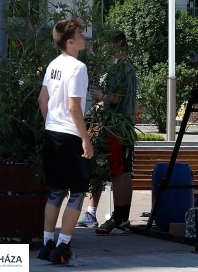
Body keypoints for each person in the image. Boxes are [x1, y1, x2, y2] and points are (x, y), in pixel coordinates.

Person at [36, 18, 93, 265]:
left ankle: (47, 243)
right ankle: (63, 247)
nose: (84, 37)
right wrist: (85, 139)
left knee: (56, 190)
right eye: (80, 34)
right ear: (70, 41)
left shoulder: (53, 65)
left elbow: (42, 100)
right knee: (78, 192)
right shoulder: (78, 68)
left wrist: (52, 124)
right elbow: (74, 107)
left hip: (52, 132)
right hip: (71, 135)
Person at [80, 31, 141, 236]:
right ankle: (123, 218)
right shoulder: (131, 70)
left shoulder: (116, 70)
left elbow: (113, 99)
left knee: (117, 175)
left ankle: (118, 218)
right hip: (127, 126)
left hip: (114, 127)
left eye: (107, 46)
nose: (105, 50)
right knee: (125, 174)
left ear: (115, 46)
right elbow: (134, 106)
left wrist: (100, 95)